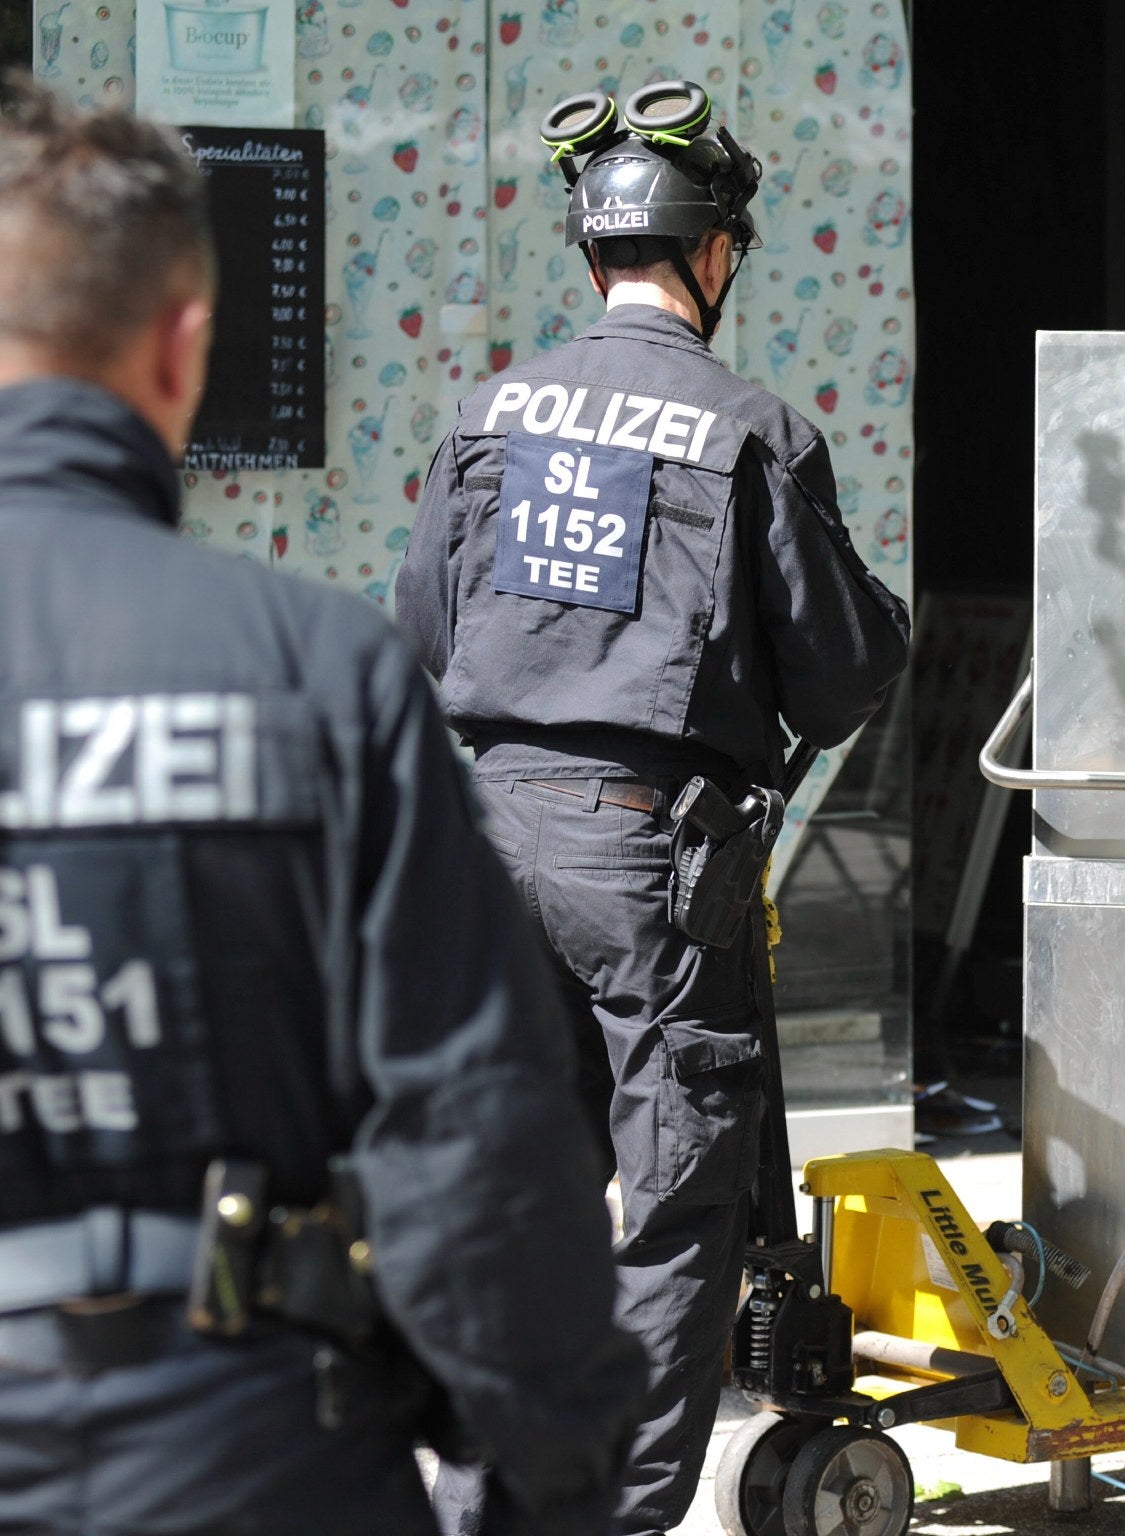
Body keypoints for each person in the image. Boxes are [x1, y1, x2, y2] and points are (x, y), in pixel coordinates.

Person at [0, 78, 644, 1536]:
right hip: (253, 1454)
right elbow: (478, 1141)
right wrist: (554, 1466)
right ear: (181, 350)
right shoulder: (313, 676)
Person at [395, 79, 909, 1536]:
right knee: (679, 1198)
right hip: (651, 852)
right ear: (715, 253)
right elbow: (845, 665)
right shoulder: (751, 429)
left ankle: (482, 1500)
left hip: (485, 833)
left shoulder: (490, 412)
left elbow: (426, 622)